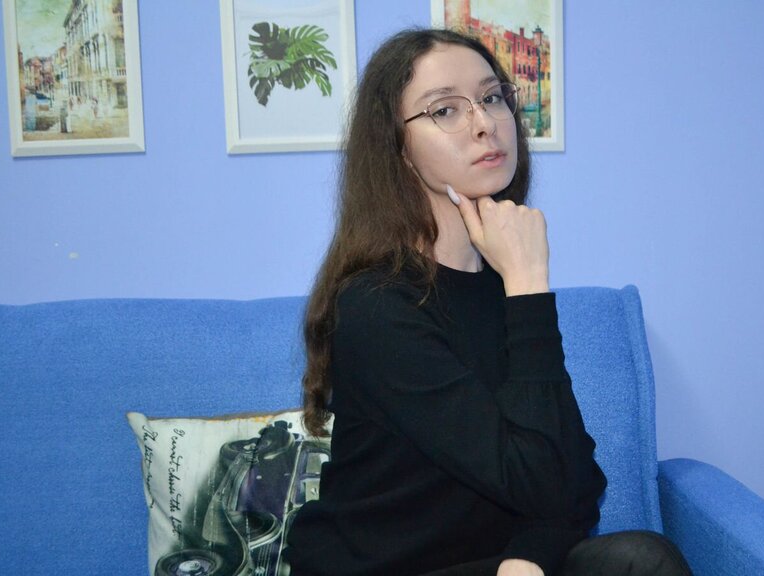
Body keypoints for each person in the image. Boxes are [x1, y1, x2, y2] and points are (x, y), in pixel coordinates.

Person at [284, 28, 692, 576]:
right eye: (445, 110)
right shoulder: (375, 306)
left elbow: (575, 477)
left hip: (494, 565)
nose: (484, 123)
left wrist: (529, 556)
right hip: (384, 568)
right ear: (398, 148)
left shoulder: (508, 284)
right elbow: (534, 478)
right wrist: (526, 280)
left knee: (640, 560)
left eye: (492, 97)